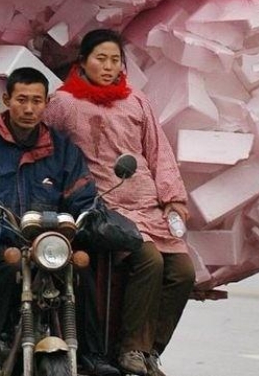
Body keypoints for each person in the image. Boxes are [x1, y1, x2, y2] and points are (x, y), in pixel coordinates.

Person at [0, 66, 119, 375]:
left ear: (47, 104)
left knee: (80, 268)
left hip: (46, 245)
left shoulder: (64, 151)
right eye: (22, 99)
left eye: (37, 100)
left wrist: (88, 215)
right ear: (7, 99)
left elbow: (83, 195)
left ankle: (91, 353)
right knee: (7, 266)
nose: (29, 108)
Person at [44, 29, 196, 376]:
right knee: (149, 261)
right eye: (101, 59)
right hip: (103, 205)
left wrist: (172, 198)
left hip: (146, 202)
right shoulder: (64, 103)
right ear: (82, 62)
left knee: (184, 273)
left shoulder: (136, 100)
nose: (109, 67)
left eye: (115, 60)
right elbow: (40, 143)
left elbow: (158, 151)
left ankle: (151, 349)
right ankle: (130, 349)